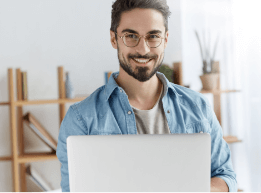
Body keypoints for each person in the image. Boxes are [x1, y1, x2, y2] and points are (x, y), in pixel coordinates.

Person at [56, 0, 237, 192]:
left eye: (153, 37)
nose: (143, 49)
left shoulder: (197, 106)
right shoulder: (80, 119)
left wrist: (190, 188)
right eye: (131, 36)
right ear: (113, 38)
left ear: (165, 39)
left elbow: (226, 177)